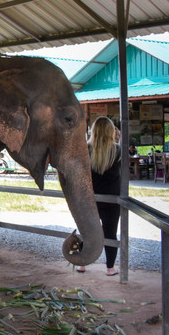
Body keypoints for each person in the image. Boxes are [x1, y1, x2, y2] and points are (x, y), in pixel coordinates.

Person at [77, 116, 121, 276]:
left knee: (87, 230)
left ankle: (82, 264)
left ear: (93, 131)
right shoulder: (118, 150)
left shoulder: (85, 149)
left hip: (90, 197)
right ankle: (110, 268)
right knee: (110, 232)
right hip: (112, 198)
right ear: (111, 131)